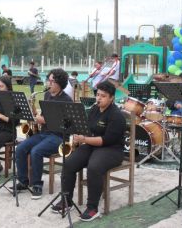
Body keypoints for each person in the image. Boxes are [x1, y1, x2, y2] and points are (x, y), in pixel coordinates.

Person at [51, 81, 126, 222]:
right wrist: (78, 136)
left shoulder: (117, 115)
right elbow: (86, 129)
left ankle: (93, 208)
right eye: (97, 94)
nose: (98, 98)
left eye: (103, 96)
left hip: (112, 150)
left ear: (111, 98)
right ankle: (66, 201)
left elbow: (106, 140)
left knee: (94, 167)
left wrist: (84, 139)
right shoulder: (94, 110)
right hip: (92, 145)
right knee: (69, 163)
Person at [15, 68, 72, 199]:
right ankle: (23, 181)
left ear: (60, 83)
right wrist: (35, 114)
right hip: (44, 133)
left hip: (59, 136)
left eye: (52, 81)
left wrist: (44, 120)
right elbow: (43, 117)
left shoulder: (66, 100)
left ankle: (37, 185)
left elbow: (65, 124)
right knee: (20, 148)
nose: (48, 83)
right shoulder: (47, 95)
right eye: (49, 80)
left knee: (36, 151)